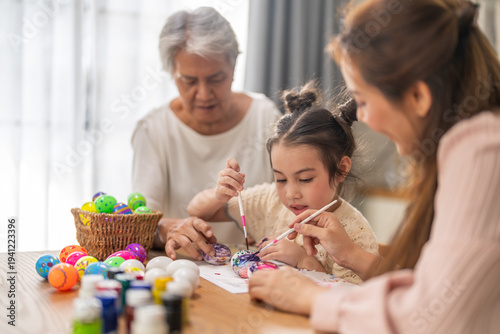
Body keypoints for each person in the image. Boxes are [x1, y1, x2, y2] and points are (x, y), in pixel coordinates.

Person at [248, 0, 500, 332]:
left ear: (419, 97)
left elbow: (433, 317)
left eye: (363, 101)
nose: (362, 118)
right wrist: (351, 255)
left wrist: (314, 299)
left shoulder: (483, 151)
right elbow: (431, 290)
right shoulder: (469, 145)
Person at [188, 84, 379, 284]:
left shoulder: (356, 235)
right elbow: (197, 211)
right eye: (280, 179)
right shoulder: (270, 200)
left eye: (305, 179)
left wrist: (304, 260)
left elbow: (350, 299)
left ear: (341, 169)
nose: (290, 193)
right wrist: (219, 195)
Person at [131, 7, 281, 260]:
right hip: (181, 269)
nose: (203, 94)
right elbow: (140, 222)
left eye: (216, 78)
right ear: (172, 74)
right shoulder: (154, 130)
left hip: (255, 270)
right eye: (189, 81)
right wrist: (168, 228)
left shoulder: (266, 118)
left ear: (234, 67)